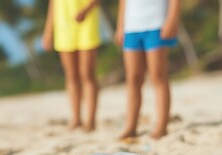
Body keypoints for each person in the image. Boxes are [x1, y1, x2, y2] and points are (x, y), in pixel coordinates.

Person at [116, 0, 181, 139]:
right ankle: (131, 126)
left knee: (158, 76)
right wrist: (120, 26)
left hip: (156, 23)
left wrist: (172, 19)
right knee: (133, 78)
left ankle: (162, 126)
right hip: (131, 26)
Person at [42, 0, 102, 132]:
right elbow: (53, 4)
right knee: (71, 75)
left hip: (86, 22)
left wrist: (86, 10)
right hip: (63, 26)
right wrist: (48, 30)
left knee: (87, 73)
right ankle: (76, 118)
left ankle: (90, 120)